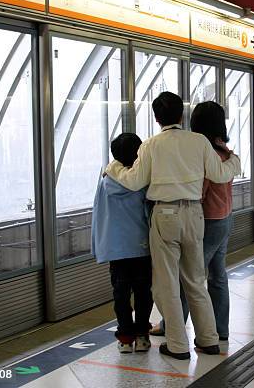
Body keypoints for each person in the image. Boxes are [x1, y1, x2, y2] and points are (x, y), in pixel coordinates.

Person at [105, 91, 241, 360]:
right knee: (196, 280)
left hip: (165, 215)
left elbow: (134, 182)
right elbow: (220, 173)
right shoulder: (199, 142)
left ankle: (177, 344)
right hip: (194, 214)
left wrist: (115, 169)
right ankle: (208, 340)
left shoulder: (151, 146)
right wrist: (235, 159)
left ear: (156, 118)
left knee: (167, 283)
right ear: (182, 115)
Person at [151, 101, 233, 341]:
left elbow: (200, 190)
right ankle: (220, 329)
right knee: (217, 276)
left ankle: (172, 327)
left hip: (207, 220)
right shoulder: (224, 149)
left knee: (190, 277)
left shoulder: (203, 150)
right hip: (225, 218)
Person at [91, 133, 152, 354]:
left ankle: (125, 338)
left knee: (121, 293)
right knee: (144, 291)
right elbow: (148, 214)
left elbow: (98, 215)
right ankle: (142, 336)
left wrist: (99, 246)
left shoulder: (105, 181)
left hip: (116, 249)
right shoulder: (142, 183)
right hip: (141, 247)